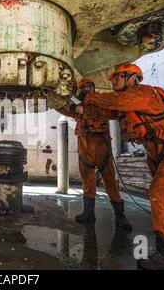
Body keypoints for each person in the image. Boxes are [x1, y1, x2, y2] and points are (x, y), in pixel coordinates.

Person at [77, 63, 164, 270]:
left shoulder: (143, 93)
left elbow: (116, 100)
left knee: (160, 195)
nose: (113, 82)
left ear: (132, 77)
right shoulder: (126, 104)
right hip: (160, 154)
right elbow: (104, 112)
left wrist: (88, 96)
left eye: (117, 77)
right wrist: (81, 108)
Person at [56, 78, 131, 230]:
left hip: (101, 148)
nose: (87, 90)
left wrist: (88, 110)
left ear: (94, 89)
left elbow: (115, 113)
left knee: (110, 182)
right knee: (87, 182)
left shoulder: (103, 105)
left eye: (89, 87)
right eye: (84, 88)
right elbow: (63, 109)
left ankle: (120, 216)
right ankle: (89, 213)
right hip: (84, 149)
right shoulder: (77, 108)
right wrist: (52, 100)